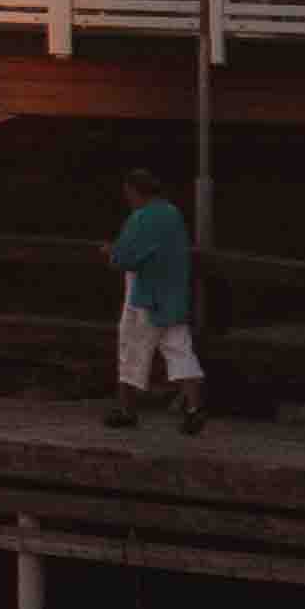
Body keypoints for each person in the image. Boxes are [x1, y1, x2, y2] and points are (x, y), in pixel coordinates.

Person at [106, 158, 205, 434]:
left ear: (135, 191)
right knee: (181, 353)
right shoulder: (173, 213)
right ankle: (194, 408)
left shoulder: (141, 217)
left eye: (128, 193)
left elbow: (123, 257)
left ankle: (126, 410)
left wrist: (110, 253)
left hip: (146, 297)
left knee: (132, 352)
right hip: (173, 296)